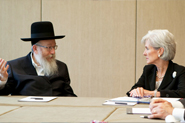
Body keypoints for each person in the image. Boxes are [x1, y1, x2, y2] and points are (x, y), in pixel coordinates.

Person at [0, 21, 77, 96]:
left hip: (55, 108)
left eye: (54, 47)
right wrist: (2, 82)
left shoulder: (61, 67)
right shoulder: (14, 67)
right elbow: (4, 94)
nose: (53, 52)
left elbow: (69, 96)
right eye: (49, 47)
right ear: (35, 48)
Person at [126, 29, 185, 98]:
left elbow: (183, 93)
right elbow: (131, 91)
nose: (144, 53)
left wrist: (152, 93)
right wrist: (136, 91)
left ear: (160, 51)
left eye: (147, 49)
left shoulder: (180, 71)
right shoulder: (148, 70)